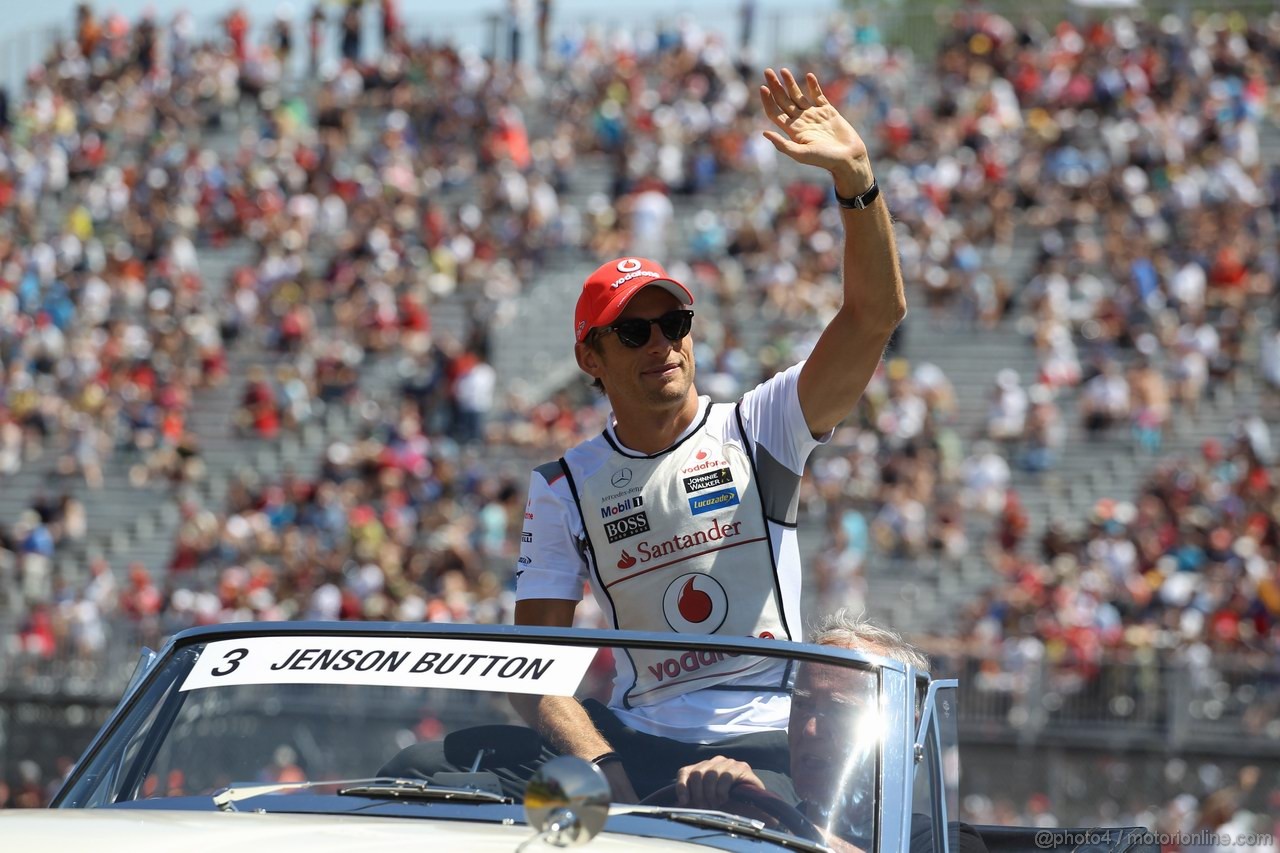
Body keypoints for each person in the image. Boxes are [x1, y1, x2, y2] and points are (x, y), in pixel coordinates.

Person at [513, 67, 907, 801]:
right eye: (635, 331)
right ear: (589, 358)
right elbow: (533, 672)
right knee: (459, 760)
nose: (662, 343)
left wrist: (856, 179)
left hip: (770, 741)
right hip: (634, 744)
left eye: (675, 323)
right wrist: (609, 777)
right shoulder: (562, 486)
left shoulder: (760, 426)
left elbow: (874, 316)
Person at [673, 611, 989, 853]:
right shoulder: (751, 819)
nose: (810, 731)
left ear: (904, 728)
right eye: (802, 705)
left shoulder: (946, 843)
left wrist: (776, 829)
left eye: (839, 710)